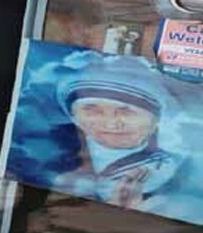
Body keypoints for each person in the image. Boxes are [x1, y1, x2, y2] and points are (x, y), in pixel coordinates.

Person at [54, 56, 184, 209]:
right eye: (92, 110)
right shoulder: (55, 156)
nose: (110, 124)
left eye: (126, 112)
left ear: (156, 120)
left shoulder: (165, 172)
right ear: (74, 116)